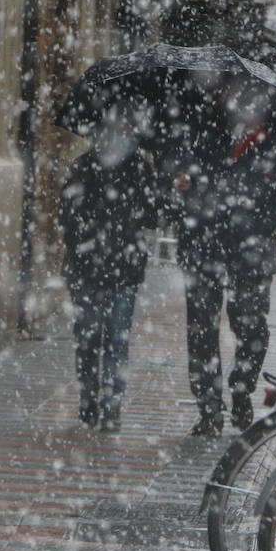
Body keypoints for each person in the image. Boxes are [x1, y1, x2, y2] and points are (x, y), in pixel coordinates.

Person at [167, 117, 276, 436]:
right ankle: (209, 406)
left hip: (252, 254)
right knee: (202, 330)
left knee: (252, 327)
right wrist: (181, 193)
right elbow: (171, 197)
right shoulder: (198, 141)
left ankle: (242, 390)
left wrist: (263, 220)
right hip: (202, 250)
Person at [57, 133, 158, 433]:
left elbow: (154, 216)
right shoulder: (84, 167)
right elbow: (67, 217)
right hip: (89, 269)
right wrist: (88, 240)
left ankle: (112, 403)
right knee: (89, 339)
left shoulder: (140, 168)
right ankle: (90, 396)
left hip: (123, 270)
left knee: (116, 339)